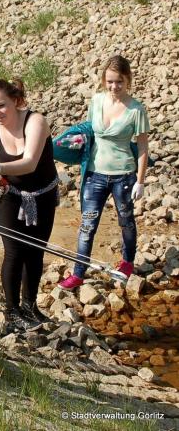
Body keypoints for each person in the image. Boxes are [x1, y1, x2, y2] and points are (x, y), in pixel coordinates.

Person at [58, 55, 150, 291]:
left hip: (124, 176)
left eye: (119, 81)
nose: (114, 87)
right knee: (87, 226)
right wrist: (74, 142)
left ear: (127, 79)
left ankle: (127, 263)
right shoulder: (97, 100)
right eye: (109, 81)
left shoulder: (136, 109)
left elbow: (142, 147)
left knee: (126, 222)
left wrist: (140, 181)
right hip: (94, 174)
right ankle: (78, 273)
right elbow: (89, 130)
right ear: (103, 80)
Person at [0, 78, 59, 331]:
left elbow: (30, 162)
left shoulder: (36, 121)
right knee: (14, 252)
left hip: (42, 194)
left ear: (15, 100)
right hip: (9, 195)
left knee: (35, 250)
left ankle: (30, 305)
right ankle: (12, 310)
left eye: (0, 106)